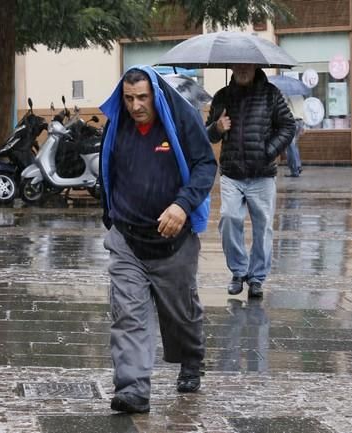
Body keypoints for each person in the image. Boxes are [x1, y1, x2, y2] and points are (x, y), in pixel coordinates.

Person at [99, 66, 217, 414]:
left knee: (180, 314)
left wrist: (183, 206)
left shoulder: (181, 120)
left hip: (173, 242)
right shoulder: (117, 125)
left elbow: (205, 165)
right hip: (127, 240)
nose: (136, 106)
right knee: (128, 315)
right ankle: (133, 388)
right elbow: (109, 168)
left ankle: (192, 359)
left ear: (156, 95)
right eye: (129, 98)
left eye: (142, 97)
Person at [206, 64, 295, 298]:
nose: (243, 70)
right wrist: (217, 127)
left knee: (263, 227)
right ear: (232, 67)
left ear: (255, 68)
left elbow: (288, 126)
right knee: (229, 218)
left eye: (248, 66)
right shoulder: (222, 96)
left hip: (262, 173)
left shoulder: (270, 94)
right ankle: (238, 271)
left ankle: (256, 278)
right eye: (239, 66)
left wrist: (270, 150)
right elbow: (207, 134)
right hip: (232, 172)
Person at [284, 95, 305, 178]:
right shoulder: (300, 96)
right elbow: (303, 109)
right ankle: (298, 165)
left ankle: (295, 170)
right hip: (300, 122)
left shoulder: (288, 95)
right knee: (294, 145)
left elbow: (284, 108)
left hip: (292, 121)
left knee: (290, 146)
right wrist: (303, 124)